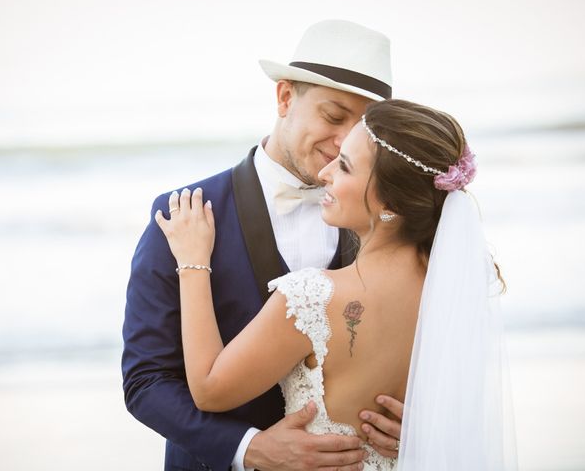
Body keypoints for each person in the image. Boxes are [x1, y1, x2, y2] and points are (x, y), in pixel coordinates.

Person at [156, 99, 517, 470]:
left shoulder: (311, 298)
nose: (325, 173)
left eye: (344, 166)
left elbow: (209, 390)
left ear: (389, 202)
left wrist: (192, 262)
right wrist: (420, 431)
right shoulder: (455, 289)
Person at [122, 20, 405, 471]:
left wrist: (407, 420)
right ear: (285, 98)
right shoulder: (185, 215)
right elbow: (146, 382)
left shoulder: (385, 220)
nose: (342, 142)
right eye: (333, 117)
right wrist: (248, 448)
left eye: (361, 127)